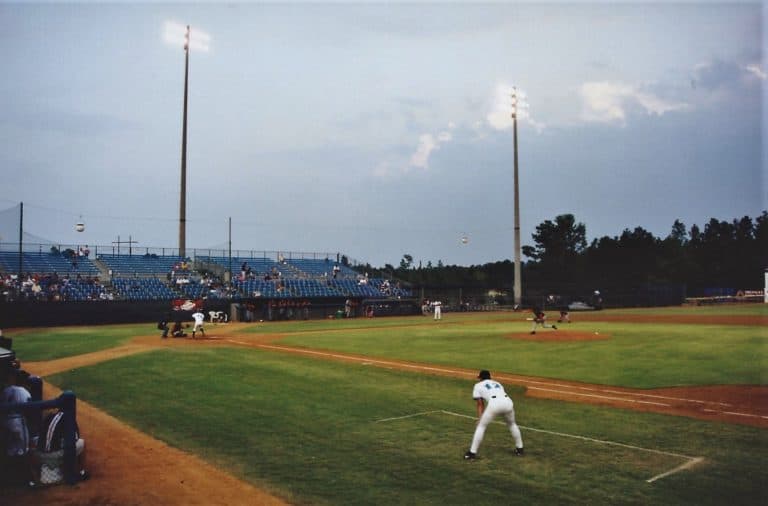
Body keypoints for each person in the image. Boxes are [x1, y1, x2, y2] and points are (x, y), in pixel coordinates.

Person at [464, 370, 524, 460]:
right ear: (489, 377)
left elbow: (480, 404)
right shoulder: (498, 383)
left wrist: (480, 418)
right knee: (512, 424)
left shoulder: (478, 385)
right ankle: (520, 449)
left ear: (480, 378)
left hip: (495, 404)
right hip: (508, 403)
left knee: (481, 426)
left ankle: (472, 453)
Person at [2, 367, 37, 486]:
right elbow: (30, 409)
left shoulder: (6, 390)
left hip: (5, 421)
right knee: (23, 449)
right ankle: (27, 479)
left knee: (11, 449)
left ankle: (9, 478)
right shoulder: (23, 391)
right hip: (18, 422)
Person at [37, 408, 88, 483]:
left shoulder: (50, 416)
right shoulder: (69, 419)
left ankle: (44, 471)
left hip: (40, 456)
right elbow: (73, 441)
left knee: (47, 481)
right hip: (54, 456)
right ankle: (80, 471)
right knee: (81, 442)